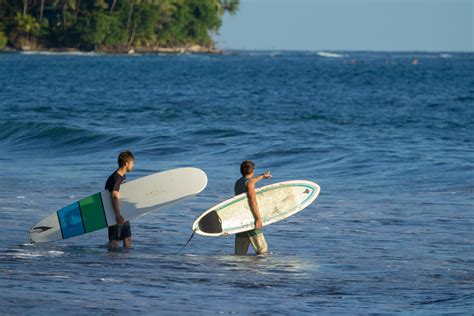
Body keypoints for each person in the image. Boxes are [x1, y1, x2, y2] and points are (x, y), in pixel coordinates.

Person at [234, 160, 272, 255]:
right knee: (262, 250)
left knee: (240, 255)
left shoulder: (238, 183)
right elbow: (252, 201)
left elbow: (251, 181)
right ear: (252, 171)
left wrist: (263, 176)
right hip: (250, 219)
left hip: (240, 222)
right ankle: (257, 270)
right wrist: (258, 218)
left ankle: (237, 270)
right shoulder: (250, 184)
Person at [105, 151, 135, 249]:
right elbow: (114, 196)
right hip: (115, 213)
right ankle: (112, 262)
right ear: (126, 164)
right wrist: (117, 215)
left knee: (128, 238)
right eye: (132, 163)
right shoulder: (116, 178)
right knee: (114, 242)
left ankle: (125, 262)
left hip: (123, 212)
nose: (133, 165)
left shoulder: (122, 176)